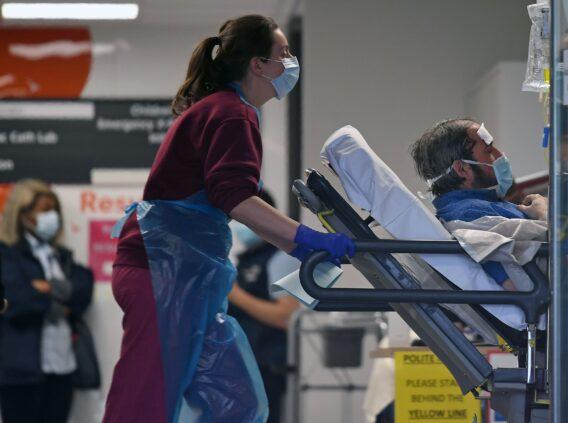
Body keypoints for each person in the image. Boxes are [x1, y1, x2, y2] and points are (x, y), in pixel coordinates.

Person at [104, 15, 355, 423]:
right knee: (145, 400)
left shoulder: (226, 110)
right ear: (257, 64)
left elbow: (231, 198)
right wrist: (309, 239)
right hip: (163, 272)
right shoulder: (231, 113)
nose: (290, 62)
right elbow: (235, 198)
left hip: (188, 274)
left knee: (237, 402)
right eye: (283, 54)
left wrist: (302, 247)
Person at [410, 118, 548, 291]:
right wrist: (545, 211)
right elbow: (560, 242)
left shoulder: (470, 207)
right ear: (462, 169)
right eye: (488, 150)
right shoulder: (471, 212)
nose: (499, 155)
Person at [0, 179, 94, 423]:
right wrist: (58, 297)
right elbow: (16, 300)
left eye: (54, 210)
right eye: (44, 210)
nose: (52, 216)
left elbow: (84, 288)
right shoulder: (7, 255)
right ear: (23, 214)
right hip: (21, 371)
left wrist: (46, 289)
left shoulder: (60, 255)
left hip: (62, 367)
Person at [228, 189, 300, 423]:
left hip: (266, 367)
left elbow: (286, 317)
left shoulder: (282, 257)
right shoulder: (248, 257)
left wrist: (233, 293)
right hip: (239, 365)